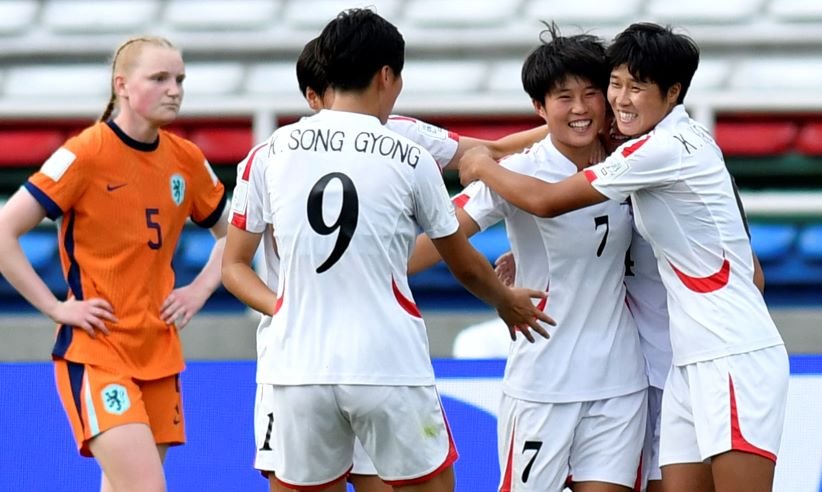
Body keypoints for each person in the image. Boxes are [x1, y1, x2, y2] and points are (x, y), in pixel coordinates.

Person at [221, 9, 551, 492]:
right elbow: (462, 261)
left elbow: (233, 266)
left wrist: (288, 309)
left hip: (295, 366)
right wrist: (506, 302)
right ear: (387, 75)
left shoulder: (266, 154)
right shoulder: (408, 153)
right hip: (386, 362)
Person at [459, 22, 788, 492]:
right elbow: (571, 129)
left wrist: (482, 165)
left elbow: (549, 200)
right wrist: (495, 159)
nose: (620, 99)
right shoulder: (646, 141)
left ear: (673, 93)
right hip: (676, 364)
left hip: (729, 353)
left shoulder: (663, 149)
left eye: (637, 87)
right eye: (615, 84)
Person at [409, 25, 648, 492]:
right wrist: (496, 291)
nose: (579, 109)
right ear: (540, 108)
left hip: (620, 384)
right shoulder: (517, 171)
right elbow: (436, 241)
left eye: (590, 94)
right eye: (563, 97)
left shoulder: (632, 161)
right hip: (543, 385)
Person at [0, 36, 228, 492]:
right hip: (98, 351)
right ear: (122, 85)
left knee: (123, 486)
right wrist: (55, 307)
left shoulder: (186, 159)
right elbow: (3, 230)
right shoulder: (86, 153)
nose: (175, 90)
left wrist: (200, 288)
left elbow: (235, 236)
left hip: (159, 353)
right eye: (159, 78)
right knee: (147, 488)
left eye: (180, 79)